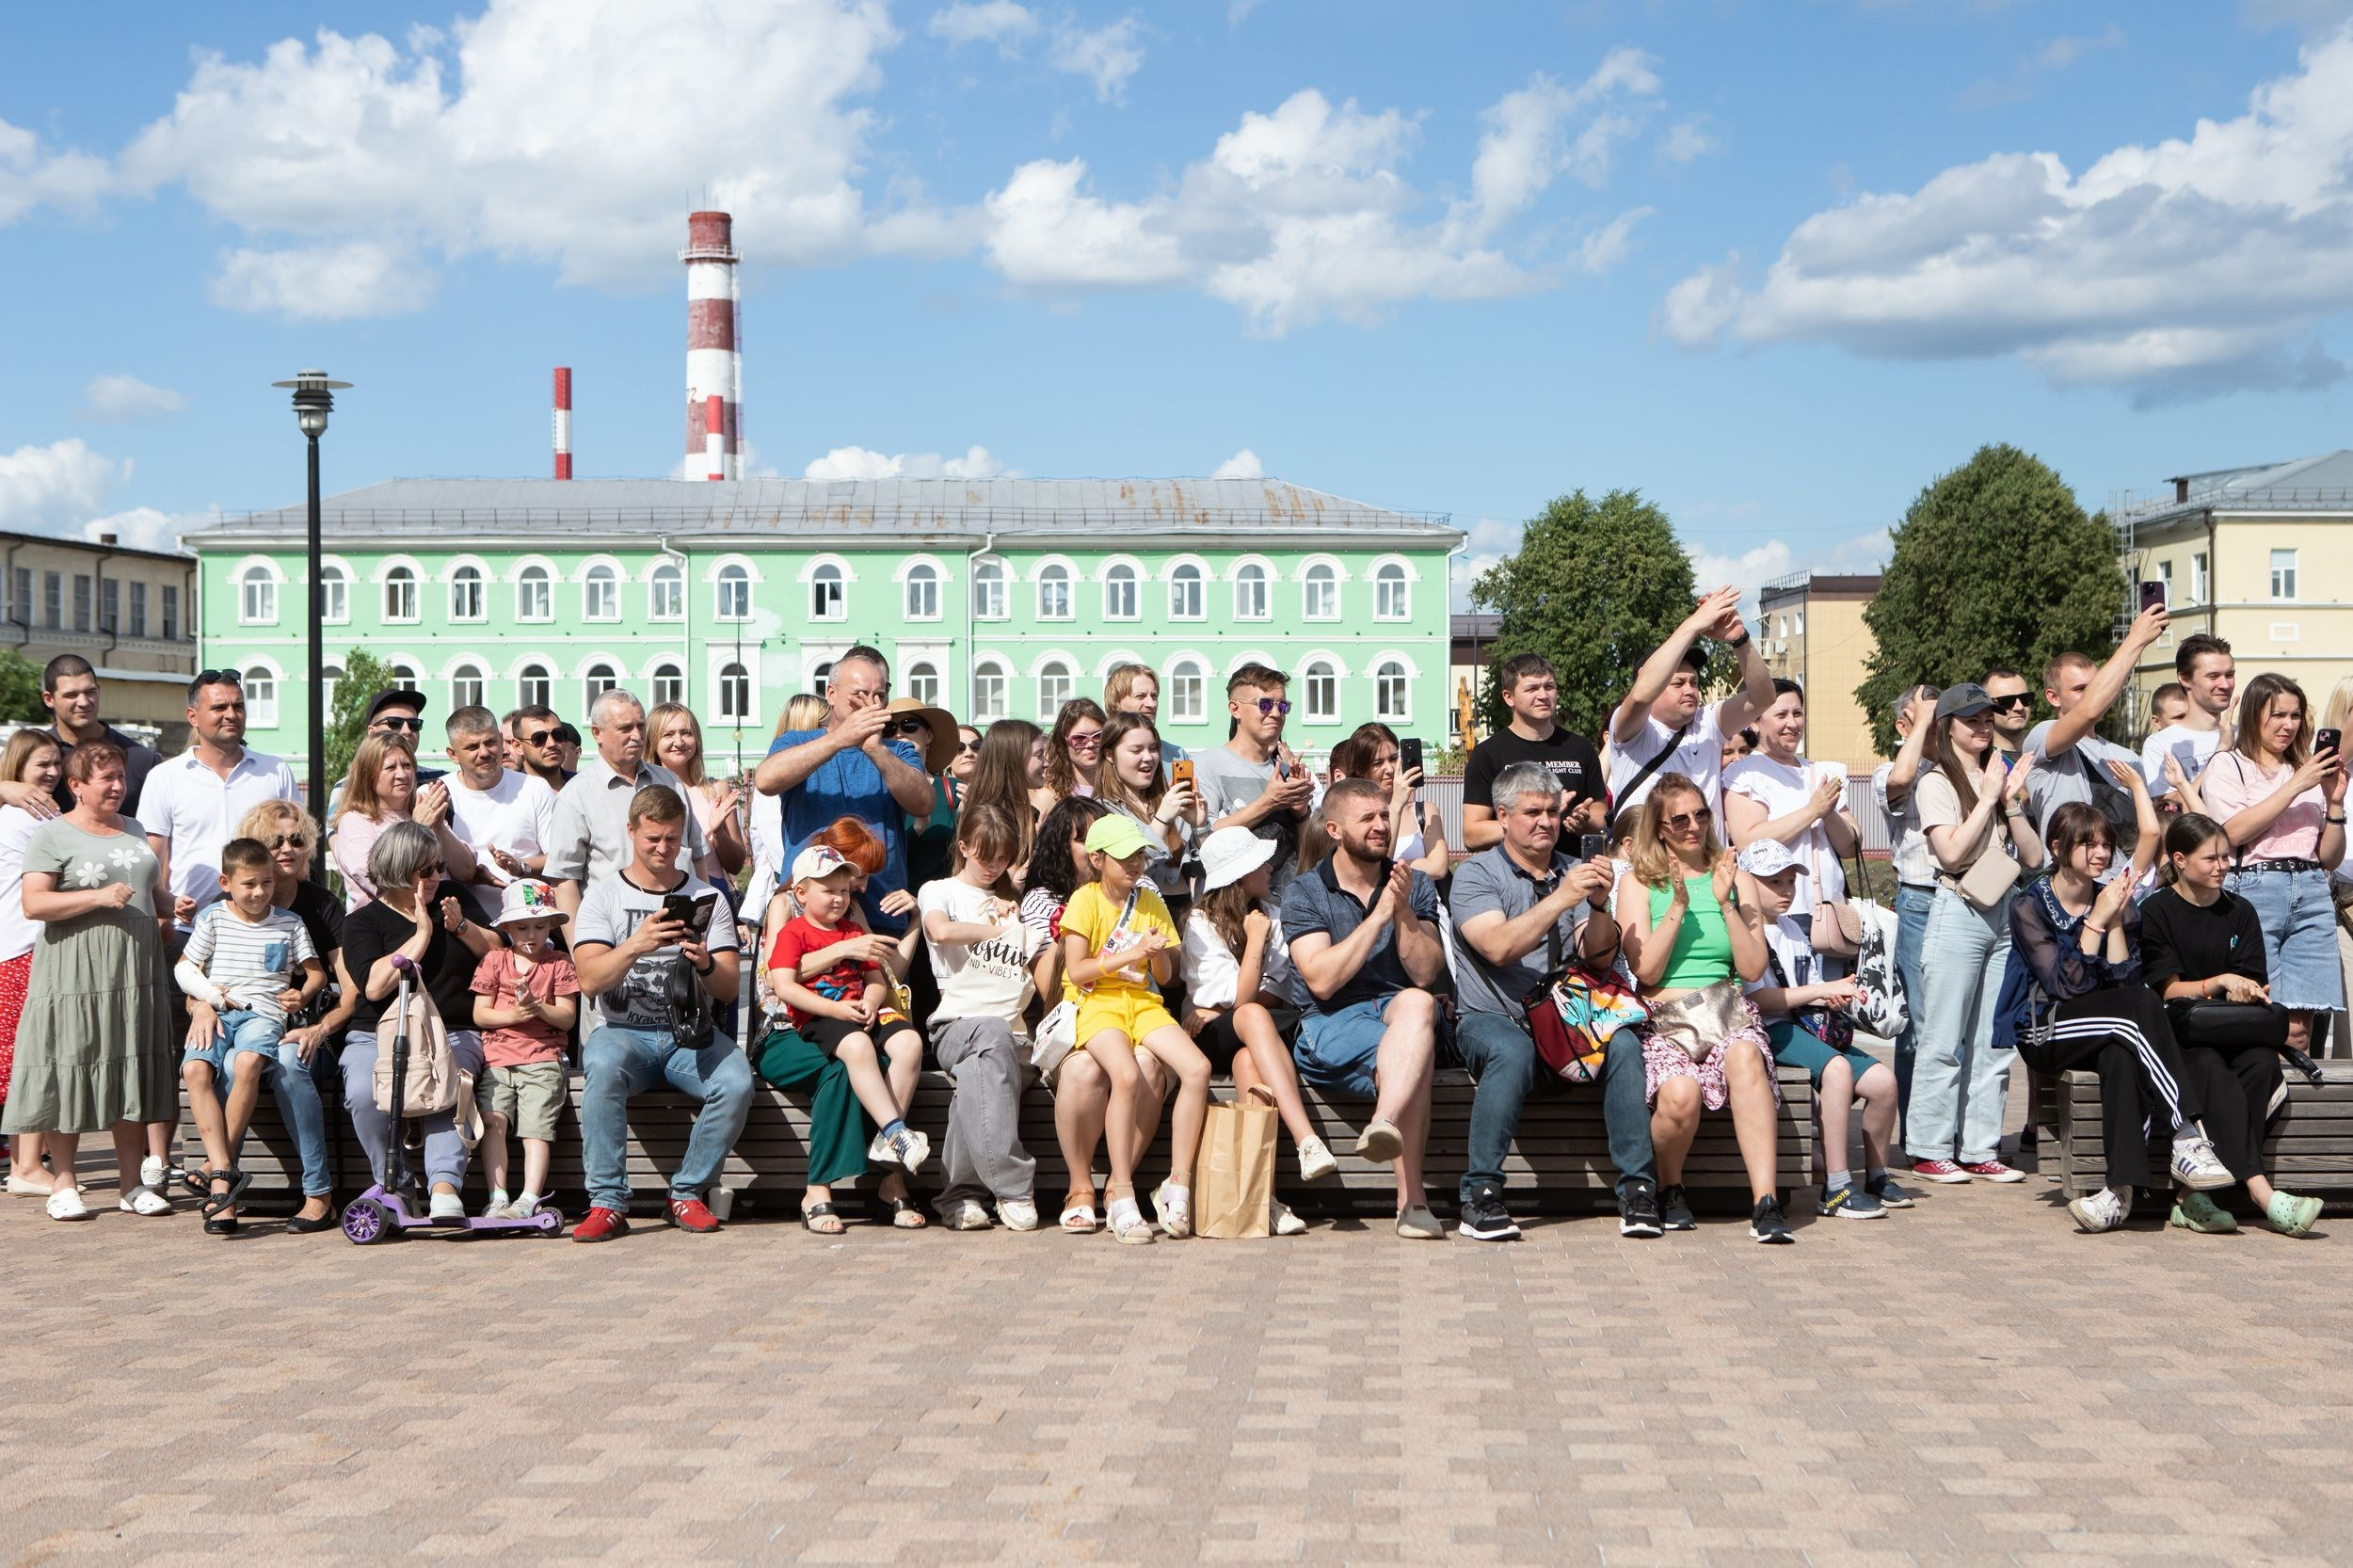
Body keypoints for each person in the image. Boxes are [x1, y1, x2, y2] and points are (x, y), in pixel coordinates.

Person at [1993, 802, 2233, 1232]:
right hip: (2043, 1029)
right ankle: (2186, 1134)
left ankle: (2118, 1193)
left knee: (2123, 1052)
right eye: (2089, 844)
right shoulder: (2030, 905)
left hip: (2106, 1024)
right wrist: (2096, 923)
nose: (2101, 853)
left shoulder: (2110, 896)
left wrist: (2117, 921)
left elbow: (2123, 987)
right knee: (2137, 1012)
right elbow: (2066, 988)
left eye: (2106, 844)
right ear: (2058, 847)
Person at [1450, 762, 1661, 1240]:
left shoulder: (1573, 872)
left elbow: (1598, 957)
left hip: (1570, 1022)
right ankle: (1479, 1194)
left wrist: (1599, 905)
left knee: (1625, 1043)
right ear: (1502, 817)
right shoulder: (1476, 875)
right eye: (1532, 812)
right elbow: (1498, 947)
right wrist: (1563, 899)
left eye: (1551, 811)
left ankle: (1638, 1192)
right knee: (1511, 1050)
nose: (1545, 821)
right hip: (1492, 1018)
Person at [4, 743, 177, 1221]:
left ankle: (130, 1184)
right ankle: (63, 1183)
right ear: (76, 786)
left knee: (129, 1070)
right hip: (75, 972)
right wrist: (98, 897)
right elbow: (34, 905)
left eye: (120, 777)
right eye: (106, 778)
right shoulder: (51, 835)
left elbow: (149, 890)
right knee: (70, 1067)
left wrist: (173, 904)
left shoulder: (136, 829)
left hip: (134, 972)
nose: (118, 786)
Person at [1615, 773, 1791, 1242]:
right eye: (1680, 818)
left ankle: (1766, 1202)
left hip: (1727, 1011)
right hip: (1666, 1021)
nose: (1694, 825)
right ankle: (1671, 1188)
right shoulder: (1637, 883)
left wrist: (1725, 902)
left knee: (1747, 1057)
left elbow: (1753, 968)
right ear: (1660, 826)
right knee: (1679, 1096)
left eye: (1702, 814)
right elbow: (1646, 971)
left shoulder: (1736, 878)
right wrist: (1677, 904)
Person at [569, 786, 751, 1242]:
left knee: (736, 1082)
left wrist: (705, 961)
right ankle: (607, 1202)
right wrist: (636, 944)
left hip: (689, 1035)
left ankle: (687, 1192)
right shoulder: (603, 896)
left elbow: (728, 987)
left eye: (672, 839)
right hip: (623, 1032)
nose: (663, 848)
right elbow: (590, 981)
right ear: (630, 831)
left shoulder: (706, 896)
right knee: (603, 1064)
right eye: (652, 838)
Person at [2138, 813, 2325, 1237]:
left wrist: (2249, 989)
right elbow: (2166, 989)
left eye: (2226, 857)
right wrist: (2219, 982)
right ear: (2180, 860)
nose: (2223, 866)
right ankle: (2262, 1193)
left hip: (2235, 1030)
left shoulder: (2240, 910)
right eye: (2211, 859)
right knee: (2207, 1067)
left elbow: (2254, 978)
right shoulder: (2156, 911)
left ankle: (2190, 1198)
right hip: (2181, 1035)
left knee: (2261, 1063)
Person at [1282, 776, 1447, 1240]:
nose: (1380, 826)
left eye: (1383, 816)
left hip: (1398, 1011)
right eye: (1368, 818)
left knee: (1417, 1006)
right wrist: (1377, 918)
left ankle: (1384, 1122)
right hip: (1330, 1024)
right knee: (1414, 1055)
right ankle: (1412, 1203)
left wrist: (1402, 914)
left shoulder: (1409, 883)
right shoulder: (1305, 892)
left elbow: (1425, 973)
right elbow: (1322, 980)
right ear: (1333, 829)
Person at [1907, 683, 2047, 1183]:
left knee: (1994, 1039)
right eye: (1973, 719)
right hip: (1959, 906)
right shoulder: (1936, 781)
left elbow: (2033, 859)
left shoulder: (2001, 776)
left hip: (2003, 908)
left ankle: (1980, 1146)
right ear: (1948, 727)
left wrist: (2009, 803)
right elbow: (1950, 853)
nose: (1985, 725)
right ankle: (1928, 1146)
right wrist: (1987, 799)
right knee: (1944, 1035)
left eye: (1989, 717)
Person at [1056, 812, 1212, 1244]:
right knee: (1125, 1075)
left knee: (1196, 1069)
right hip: (1097, 1003)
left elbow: (1166, 975)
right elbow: (1077, 969)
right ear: (1097, 859)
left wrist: (1157, 953)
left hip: (1143, 1003)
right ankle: (1121, 1192)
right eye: (1125, 858)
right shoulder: (1084, 900)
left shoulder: (1150, 899)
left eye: (1140, 855)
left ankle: (1177, 1184)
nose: (1136, 865)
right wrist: (1132, 954)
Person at [1020, 795, 1171, 1231]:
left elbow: (1166, 969)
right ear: (1060, 847)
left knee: (1148, 1066)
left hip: (1139, 1013)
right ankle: (1080, 1184)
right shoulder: (1043, 902)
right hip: (1075, 1020)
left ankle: (1117, 1185)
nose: (1093, 848)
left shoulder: (1143, 892)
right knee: (1086, 1069)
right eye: (1081, 838)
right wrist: (1074, 936)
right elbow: (1051, 985)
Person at [203, 799, 352, 1231]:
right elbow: (197, 975)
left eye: (297, 839)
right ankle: (224, 1189)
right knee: (232, 1061)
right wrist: (198, 1006)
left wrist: (317, 1026)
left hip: (309, 1031)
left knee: (289, 1060)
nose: (287, 848)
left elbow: (351, 989)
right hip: (243, 1026)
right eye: (275, 840)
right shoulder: (228, 905)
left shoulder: (321, 905)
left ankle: (318, 1193)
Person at [1736, 840, 1904, 1220]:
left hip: (1806, 1029)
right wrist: (1820, 990)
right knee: (1838, 1069)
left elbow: (1811, 988)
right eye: (1774, 883)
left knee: (1883, 1084)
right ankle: (1837, 1187)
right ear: (1746, 885)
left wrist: (1835, 997)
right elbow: (1758, 1001)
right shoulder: (1745, 933)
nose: (1785, 891)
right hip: (1769, 1031)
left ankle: (1876, 1176)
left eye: (1789, 882)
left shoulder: (1794, 929)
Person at [336, 821, 495, 1221]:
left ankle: (444, 1187)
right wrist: (422, 932)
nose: (438, 876)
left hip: (452, 1029)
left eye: (439, 866)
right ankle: (397, 1184)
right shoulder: (362, 921)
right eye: (426, 870)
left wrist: (460, 925)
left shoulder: (453, 897)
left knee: (448, 1077)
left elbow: (497, 954)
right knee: (361, 1088)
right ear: (396, 870)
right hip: (378, 1032)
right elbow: (373, 987)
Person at [769, 841, 930, 1232]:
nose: (840, 898)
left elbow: (876, 979)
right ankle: (896, 1133)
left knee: (909, 1043)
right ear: (801, 893)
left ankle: (890, 1141)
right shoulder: (794, 931)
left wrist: (872, 1002)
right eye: (829, 890)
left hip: (861, 1009)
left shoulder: (856, 928)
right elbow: (784, 986)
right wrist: (836, 1009)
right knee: (857, 1048)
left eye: (845, 890)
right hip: (822, 1015)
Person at [173, 836, 324, 1233]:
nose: (260, 892)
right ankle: (223, 1166)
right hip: (218, 1012)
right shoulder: (213, 918)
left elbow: (316, 973)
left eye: (267, 883)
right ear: (226, 882)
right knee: (195, 1073)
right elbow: (186, 968)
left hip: (263, 1013)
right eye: (249, 884)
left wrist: (302, 992)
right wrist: (206, 999)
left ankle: (218, 1180)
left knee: (247, 1061)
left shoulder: (290, 923)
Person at [1180, 824, 1328, 1225]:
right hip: (1208, 1038)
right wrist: (1256, 945)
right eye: (1260, 862)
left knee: (1249, 1062)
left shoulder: (1273, 915)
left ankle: (1265, 1198)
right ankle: (1306, 1138)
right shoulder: (1199, 924)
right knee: (1249, 1015)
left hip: (1251, 1032)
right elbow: (1246, 1000)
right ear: (1240, 875)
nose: (1270, 866)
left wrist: (1232, 1006)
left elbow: (1277, 995)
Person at [2197, 673, 2346, 1055]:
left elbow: (2329, 856)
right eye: (2278, 715)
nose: (2288, 725)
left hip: (2312, 889)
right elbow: (2232, 833)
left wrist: (2334, 804)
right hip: (2254, 888)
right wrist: (2296, 785)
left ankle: (2299, 1114)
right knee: (2261, 1019)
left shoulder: (2307, 772)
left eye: (2295, 716)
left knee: (2300, 1030)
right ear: (2252, 715)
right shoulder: (2229, 766)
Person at [919, 803, 1048, 1231]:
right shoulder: (939, 891)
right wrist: (998, 931)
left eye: (1003, 858)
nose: (994, 866)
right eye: (985, 855)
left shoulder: (1012, 904)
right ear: (963, 847)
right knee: (989, 1038)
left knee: (980, 1073)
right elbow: (940, 931)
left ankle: (960, 1197)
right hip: (954, 1023)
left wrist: (1017, 924)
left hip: (1011, 1032)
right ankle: (1013, 1186)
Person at [755, 648, 933, 936]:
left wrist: (875, 749)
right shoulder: (798, 741)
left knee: (885, 984)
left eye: (880, 696)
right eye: (860, 694)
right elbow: (765, 780)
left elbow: (923, 803)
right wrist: (838, 739)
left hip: (881, 913)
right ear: (832, 694)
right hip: (808, 917)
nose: (870, 704)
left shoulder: (898, 751)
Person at [142, 671, 301, 926]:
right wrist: (163, 917)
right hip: (189, 928)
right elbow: (152, 861)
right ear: (192, 716)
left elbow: (298, 848)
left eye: (238, 706)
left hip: (264, 926)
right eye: (219, 707)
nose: (231, 714)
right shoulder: (165, 777)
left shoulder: (275, 771)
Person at [1607, 585, 1777, 814]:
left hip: (1707, 851)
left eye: (1694, 682)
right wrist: (1694, 624)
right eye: (1677, 684)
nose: (1689, 690)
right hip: (1647, 851)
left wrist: (1739, 639)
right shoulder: (1633, 729)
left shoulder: (1707, 722)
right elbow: (1640, 697)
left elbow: (1763, 698)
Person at [545, 689, 708, 922]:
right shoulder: (576, 795)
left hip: (679, 930)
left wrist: (704, 925)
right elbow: (564, 880)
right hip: (615, 939)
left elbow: (697, 856)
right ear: (597, 733)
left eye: (640, 726)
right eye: (625, 728)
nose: (637, 736)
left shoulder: (670, 782)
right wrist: (582, 950)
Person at [470, 879, 579, 1222]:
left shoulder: (558, 963)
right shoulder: (494, 960)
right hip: (498, 1060)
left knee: (536, 1130)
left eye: (540, 926)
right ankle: (497, 1196)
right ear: (506, 927)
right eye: (522, 927)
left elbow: (567, 1018)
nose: (531, 934)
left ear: (551, 925)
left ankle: (529, 1197)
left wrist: (537, 1008)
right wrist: (514, 1014)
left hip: (543, 1060)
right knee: (492, 1121)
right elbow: (480, 1013)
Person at [2022, 604, 2169, 846]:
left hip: (2119, 878)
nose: (2092, 695)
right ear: (2053, 697)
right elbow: (2088, 712)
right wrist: (2136, 640)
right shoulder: (2041, 736)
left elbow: (2145, 829)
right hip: (2065, 877)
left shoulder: (2127, 757)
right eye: (2080, 689)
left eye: (2095, 686)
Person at [1723, 679, 1861, 925]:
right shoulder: (1745, 773)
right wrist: (1811, 811)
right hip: (1777, 917)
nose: (1792, 723)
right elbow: (1748, 842)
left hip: (1832, 913)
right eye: (1781, 715)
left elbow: (1851, 846)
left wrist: (1828, 814)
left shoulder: (1823, 772)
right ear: (1755, 722)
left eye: (1797, 713)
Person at [1871, 683, 1940, 1128]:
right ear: (1903, 726)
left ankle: (1949, 1129)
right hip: (1919, 900)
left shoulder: (1960, 770)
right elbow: (1900, 781)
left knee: (1954, 1019)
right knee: (1918, 1018)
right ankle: (1917, 1132)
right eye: (1927, 717)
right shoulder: (1887, 771)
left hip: (1964, 901)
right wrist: (1923, 720)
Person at [1460, 655, 1607, 853]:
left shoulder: (1580, 748)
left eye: (1549, 687)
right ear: (1508, 697)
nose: (1543, 695)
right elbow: (1472, 834)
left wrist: (1584, 825)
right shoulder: (1488, 754)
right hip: (1512, 877)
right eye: (1532, 689)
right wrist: (1540, 815)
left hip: (1573, 871)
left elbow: (1600, 823)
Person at [0, 731, 62, 1196]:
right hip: (24, 947)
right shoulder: (25, 819)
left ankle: (26, 1161)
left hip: (22, 946)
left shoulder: (27, 815)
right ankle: (25, 1164)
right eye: (42, 764)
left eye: (57, 763)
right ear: (18, 767)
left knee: (33, 1056)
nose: (53, 772)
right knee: (34, 1058)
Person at [1197, 664, 1315, 903]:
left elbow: (1307, 854)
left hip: (1289, 909)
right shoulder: (1207, 763)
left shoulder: (1284, 770)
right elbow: (1206, 838)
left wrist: (1300, 812)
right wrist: (1268, 802)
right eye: (1264, 704)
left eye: (1283, 706)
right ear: (1235, 709)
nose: (1275, 713)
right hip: (1234, 911)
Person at [331, 732, 478, 911]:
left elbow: (466, 872)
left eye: (407, 765)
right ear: (368, 774)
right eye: (390, 767)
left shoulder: (421, 807)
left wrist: (439, 829)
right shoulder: (354, 821)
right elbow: (381, 882)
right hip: (389, 930)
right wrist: (418, 830)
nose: (402, 774)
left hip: (441, 920)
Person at [15, 654, 163, 818]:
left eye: (90, 692)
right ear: (49, 699)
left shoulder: (141, 760)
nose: (84, 702)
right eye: (71, 695)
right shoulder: (31, 755)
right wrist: (5, 789)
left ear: (98, 691)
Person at [440, 704, 558, 891]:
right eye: (472, 747)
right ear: (453, 754)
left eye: (490, 742)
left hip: (530, 915)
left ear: (502, 740)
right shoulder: (436, 795)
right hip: (461, 916)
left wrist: (520, 866)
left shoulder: (534, 788)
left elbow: (558, 857)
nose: (484, 753)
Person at [1094, 713, 1205, 906]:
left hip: (1185, 909)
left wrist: (1199, 826)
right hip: (1138, 915)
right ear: (1109, 755)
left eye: (1153, 749)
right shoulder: (1101, 810)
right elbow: (1130, 870)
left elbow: (1207, 865)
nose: (1148, 757)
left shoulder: (1169, 801)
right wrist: (1162, 820)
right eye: (1136, 750)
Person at [648, 701, 749, 888]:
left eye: (686, 733)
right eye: (668, 734)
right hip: (660, 891)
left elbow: (736, 866)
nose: (679, 742)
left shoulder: (717, 790)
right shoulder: (645, 792)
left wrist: (719, 833)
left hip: (711, 890)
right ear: (653, 742)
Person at [1329, 723, 1449, 880]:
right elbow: (1375, 870)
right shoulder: (1351, 815)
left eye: (1393, 759)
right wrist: (1396, 806)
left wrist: (1391, 865)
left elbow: (1439, 868)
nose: (1390, 769)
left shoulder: (1424, 811)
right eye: (1378, 763)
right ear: (1360, 769)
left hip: (1424, 903)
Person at [323, 687, 446, 821]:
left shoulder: (440, 781)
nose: (407, 731)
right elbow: (339, 839)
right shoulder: (347, 788)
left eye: (414, 724)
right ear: (372, 731)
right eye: (395, 723)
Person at [878, 696, 961, 894]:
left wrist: (965, 820)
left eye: (909, 725)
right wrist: (915, 831)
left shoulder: (955, 790)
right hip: (890, 909)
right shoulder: (874, 792)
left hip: (943, 910)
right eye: (890, 728)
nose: (898, 733)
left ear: (929, 735)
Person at [2142, 634, 2236, 803]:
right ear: (2185, 679)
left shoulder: (2245, 735)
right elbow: (2170, 811)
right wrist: (2221, 752)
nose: (2225, 685)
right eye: (2213, 676)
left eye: (2229, 675)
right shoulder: (2161, 744)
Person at [1105, 663, 1185, 765]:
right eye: (1140, 696)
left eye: (1154, 696)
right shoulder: (1095, 757)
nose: (1151, 704)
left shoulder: (1176, 756)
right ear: (1116, 703)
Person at [1039, 698, 1109, 808]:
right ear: (1063, 742)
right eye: (1079, 738)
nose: (1090, 744)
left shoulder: (1121, 789)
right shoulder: (1049, 797)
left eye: (1098, 736)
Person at [511, 704, 573, 792]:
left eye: (558, 735)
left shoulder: (584, 785)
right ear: (518, 746)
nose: (552, 744)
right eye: (539, 738)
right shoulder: (510, 795)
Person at [1981, 667, 2034, 759]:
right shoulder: (1978, 762)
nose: (2019, 707)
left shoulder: (2047, 753)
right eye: (2007, 701)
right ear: (1987, 706)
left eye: (2025, 698)